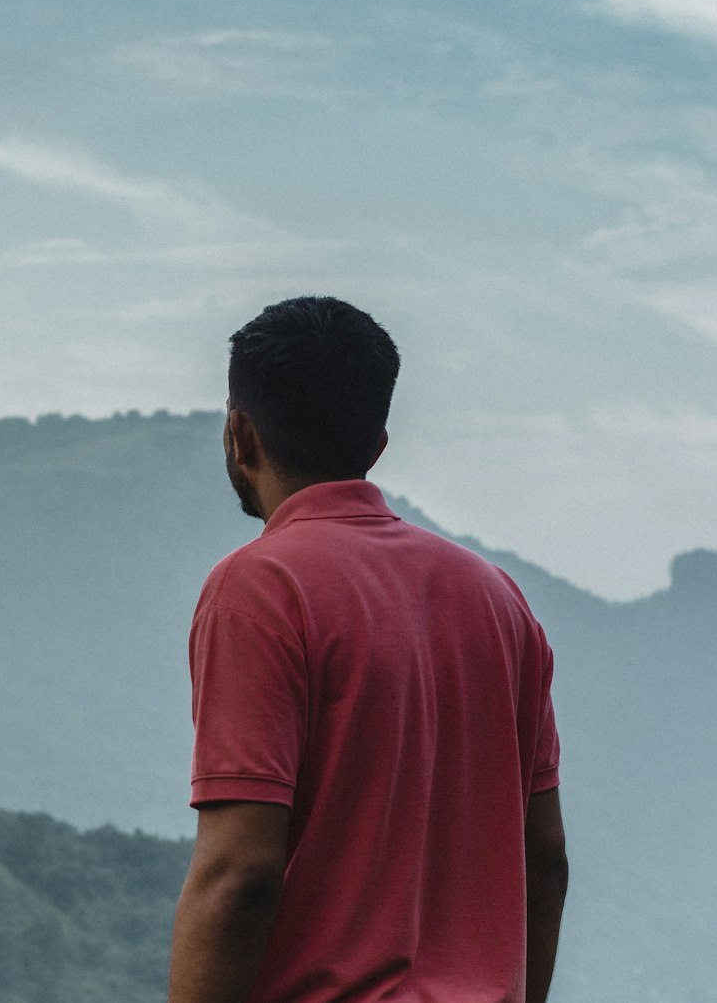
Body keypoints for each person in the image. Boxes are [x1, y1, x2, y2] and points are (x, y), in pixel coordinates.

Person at [169, 296, 567, 1003]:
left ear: (239, 434)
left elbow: (241, 876)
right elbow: (545, 857)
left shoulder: (261, 587)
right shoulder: (498, 600)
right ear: (378, 444)